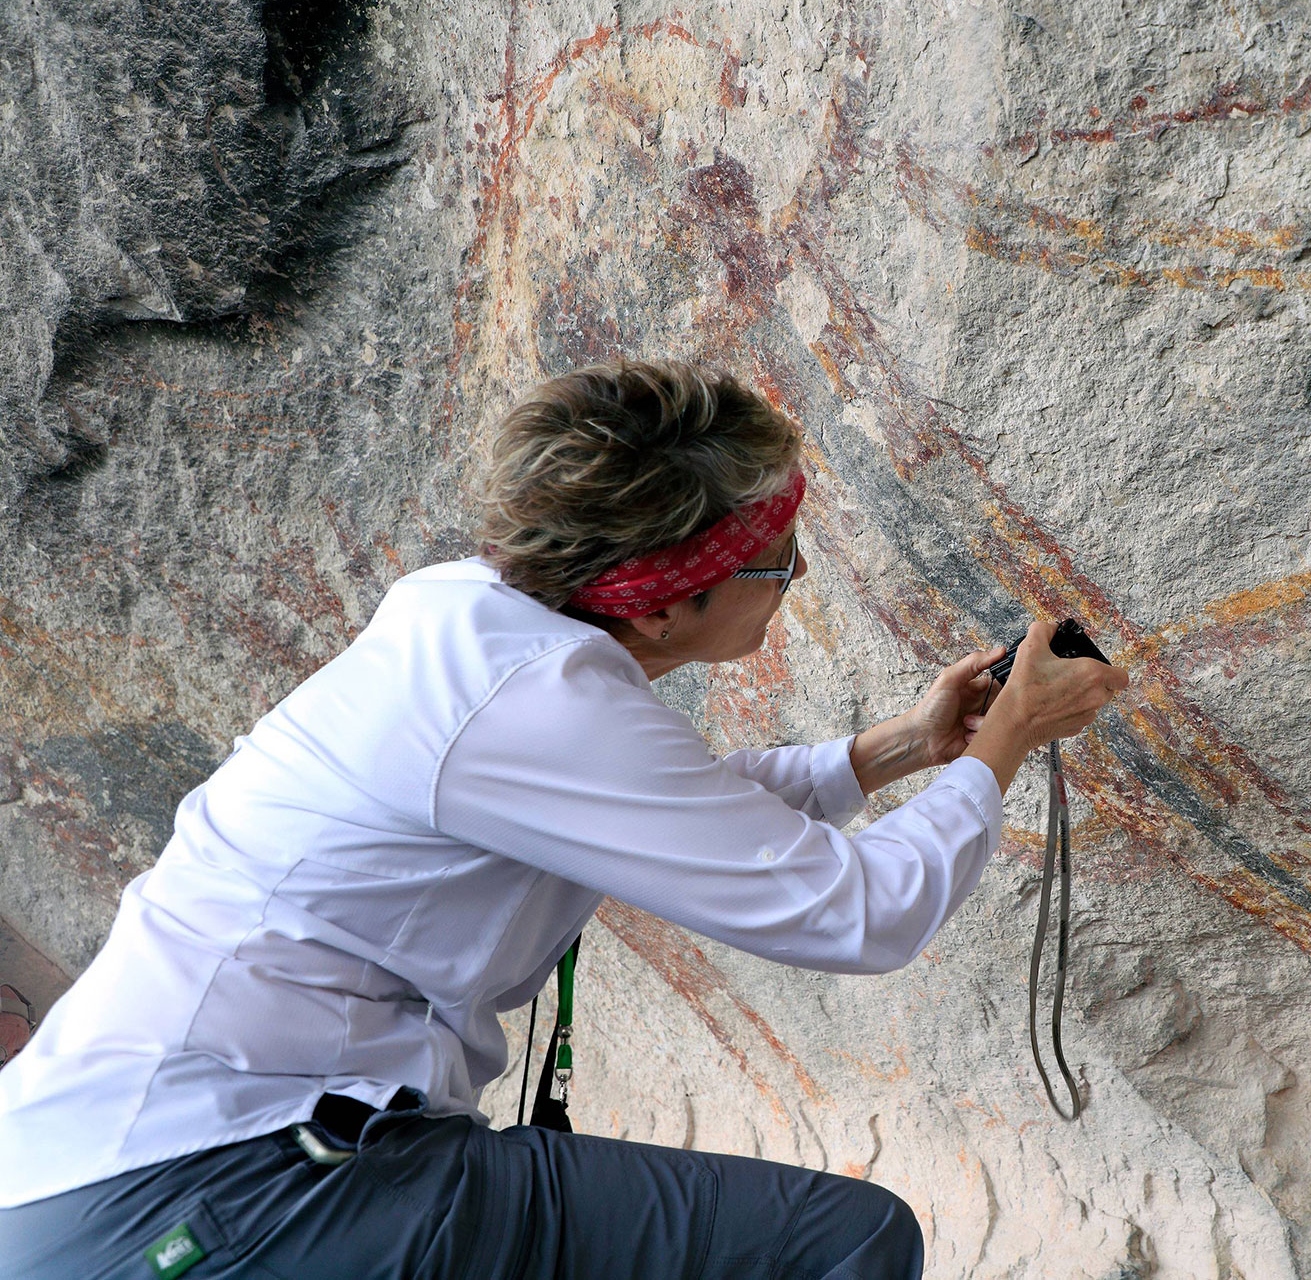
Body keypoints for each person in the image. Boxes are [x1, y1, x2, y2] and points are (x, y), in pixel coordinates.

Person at [0, 358, 1129, 1279]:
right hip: (223, 1187)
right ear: (674, 593)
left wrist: (895, 750)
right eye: (777, 559)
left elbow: (661, 806)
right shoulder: (528, 702)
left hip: (114, 1178)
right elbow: (860, 915)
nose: (796, 576)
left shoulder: (471, 617)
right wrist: (1008, 740)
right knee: (843, 1245)